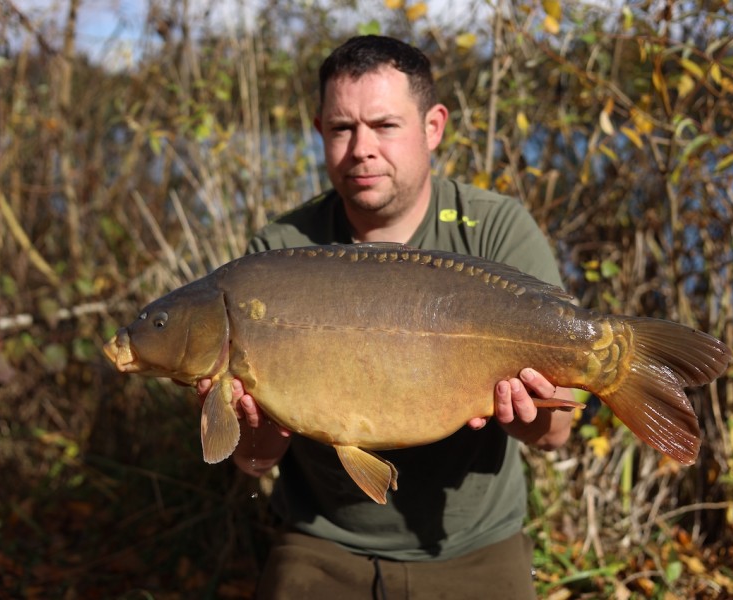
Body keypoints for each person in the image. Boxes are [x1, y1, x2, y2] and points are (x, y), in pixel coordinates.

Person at [223, 35, 575, 598]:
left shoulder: (495, 230)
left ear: (433, 127)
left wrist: (525, 412)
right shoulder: (281, 253)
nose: (361, 148)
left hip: (473, 546)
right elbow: (252, 463)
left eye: (384, 125)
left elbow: (556, 433)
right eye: (341, 129)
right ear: (319, 132)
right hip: (323, 542)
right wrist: (256, 424)